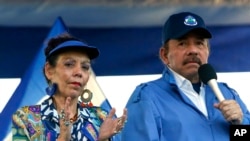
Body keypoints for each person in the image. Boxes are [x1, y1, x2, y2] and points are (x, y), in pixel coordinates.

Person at [121, 12, 250, 141]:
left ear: (208, 51)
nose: (193, 50)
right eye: (182, 43)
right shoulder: (147, 97)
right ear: (164, 55)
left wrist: (241, 123)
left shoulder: (227, 94)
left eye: (199, 43)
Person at [12, 33, 127, 141]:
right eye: (69, 64)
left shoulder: (101, 117)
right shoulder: (26, 118)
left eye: (85, 67)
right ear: (49, 71)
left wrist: (101, 139)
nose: (79, 72)